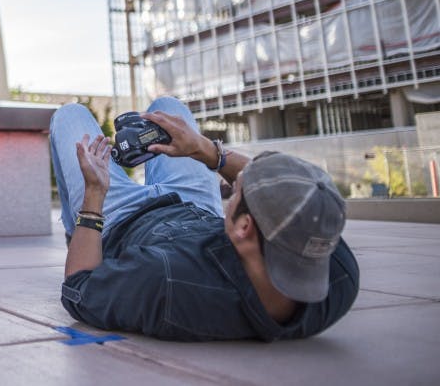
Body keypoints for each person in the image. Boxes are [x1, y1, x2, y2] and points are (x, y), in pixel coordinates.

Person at [50, 97, 359, 341]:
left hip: (120, 218)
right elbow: (301, 199)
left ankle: (76, 233)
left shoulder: (167, 282)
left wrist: (93, 197)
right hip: (193, 206)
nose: (233, 183)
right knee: (169, 108)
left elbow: (79, 288)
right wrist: (207, 151)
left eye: (236, 191)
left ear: (244, 227)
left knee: (69, 116)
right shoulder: (339, 275)